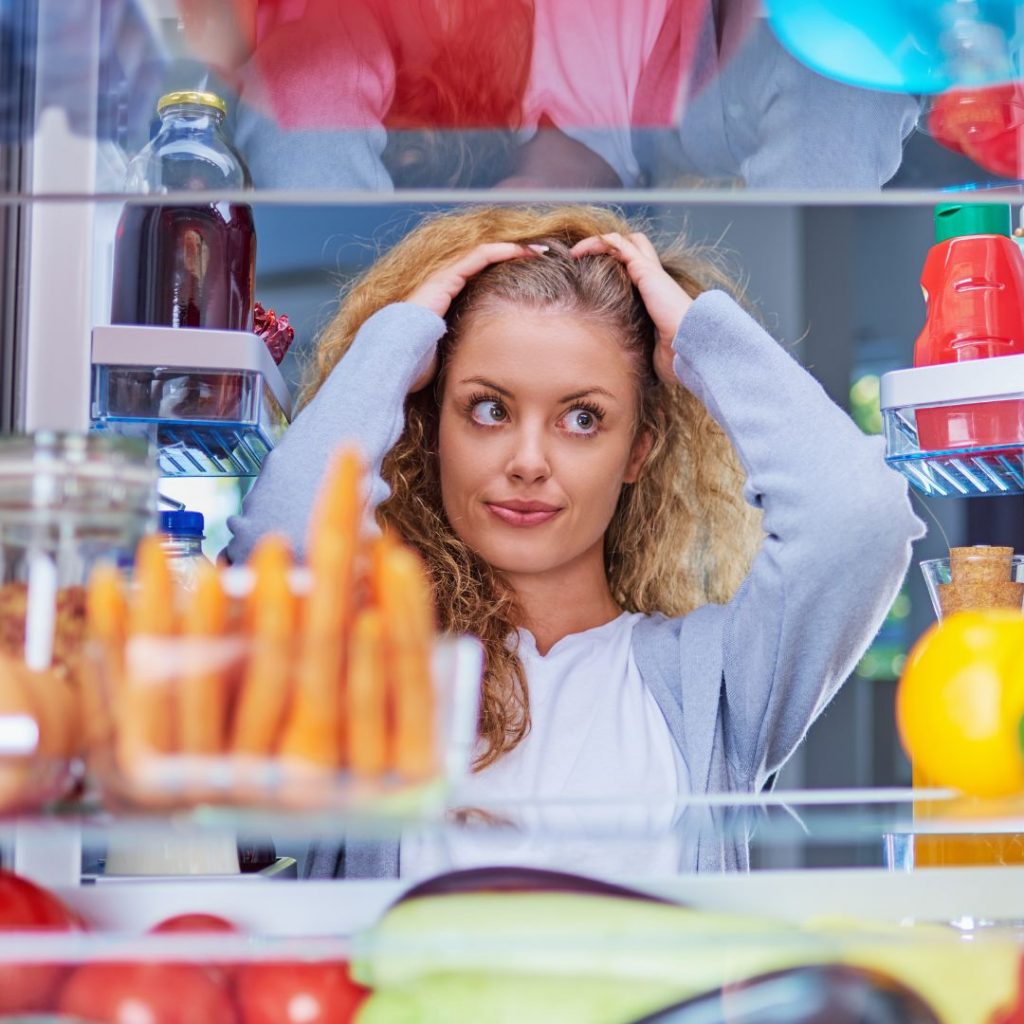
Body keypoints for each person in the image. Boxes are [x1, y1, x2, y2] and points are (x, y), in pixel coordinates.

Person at [226, 205, 924, 878]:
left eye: (582, 418)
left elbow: (859, 518)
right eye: (489, 409)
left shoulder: (710, 685)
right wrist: (394, 342)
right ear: (431, 429)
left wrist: (702, 342)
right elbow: (279, 552)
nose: (528, 461)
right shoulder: (371, 666)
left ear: (636, 453)